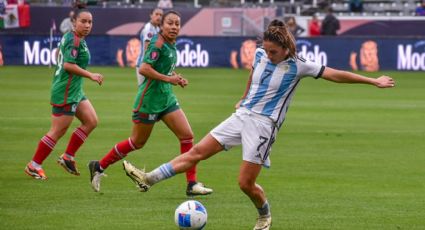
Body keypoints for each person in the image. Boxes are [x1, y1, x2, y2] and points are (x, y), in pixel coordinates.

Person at [122, 19, 395, 230]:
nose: (269, 54)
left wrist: (373, 81)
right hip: (242, 116)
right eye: (266, 49)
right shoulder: (261, 54)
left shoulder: (299, 65)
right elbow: (254, 75)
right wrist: (243, 98)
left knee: (245, 183)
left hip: (264, 125)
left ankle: (264, 215)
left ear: (286, 49)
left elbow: (336, 74)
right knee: (196, 153)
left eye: (274, 51)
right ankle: (148, 178)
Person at [88, 10, 212, 196]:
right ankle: (99, 166)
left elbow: (163, 69)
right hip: (149, 101)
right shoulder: (157, 43)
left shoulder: (171, 44)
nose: (174, 27)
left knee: (187, 137)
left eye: (177, 23)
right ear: (161, 25)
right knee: (136, 142)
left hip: (166, 99)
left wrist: (175, 78)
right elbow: (144, 68)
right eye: (170, 23)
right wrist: (168, 79)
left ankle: (191, 184)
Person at [24, 6, 104, 180]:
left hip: (75, 90)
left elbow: (61, 56)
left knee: (91, 121)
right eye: (83, 21)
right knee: (57, 132)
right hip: (66, 91)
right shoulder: (74, 40)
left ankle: (68, 157)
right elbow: (68, 65)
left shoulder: (75, 38)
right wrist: (91, 75)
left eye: (90, 22)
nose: (87, 25)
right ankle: (34, 165)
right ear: (73, 22)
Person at [135, 8, 163, 86]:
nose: (159, 17)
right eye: (156, 14)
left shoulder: (157, 29)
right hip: (143, 64)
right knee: (143, 92)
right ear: (151, 15)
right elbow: (147, 48)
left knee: (150, 93)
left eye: (161, 15)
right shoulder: (148, 29)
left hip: (151, 65)